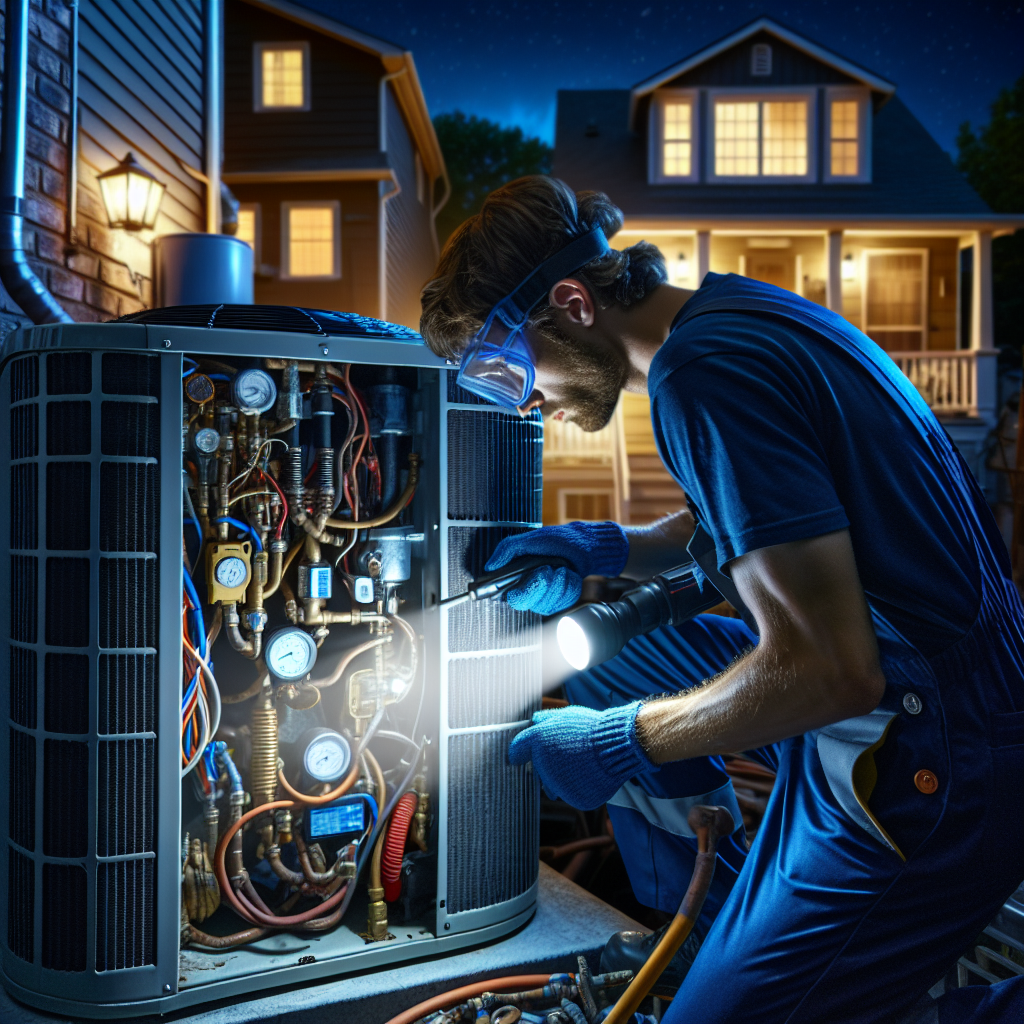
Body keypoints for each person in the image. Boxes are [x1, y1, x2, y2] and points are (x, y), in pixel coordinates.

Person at [419, 176, 1024, 1024]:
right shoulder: (733, 315)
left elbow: (831, 674)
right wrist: (611, 546)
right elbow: (778, 521)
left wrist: (617, 743)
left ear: (571, 303)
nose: (523, 398)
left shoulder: (701, 380)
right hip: (950, 689)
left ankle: (782, 976)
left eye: (508, 362)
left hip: (937, 748)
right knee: (613, 657)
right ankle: (722, 926)